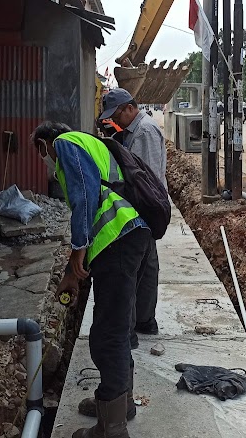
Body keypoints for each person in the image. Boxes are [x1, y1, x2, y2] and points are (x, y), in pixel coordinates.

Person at [34, 121, 152, 438]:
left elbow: (84, 199)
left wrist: (75, 261)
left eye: (41, 152)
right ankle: (121, 403)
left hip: (118, 240)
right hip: (132, 237)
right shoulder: (90, 145)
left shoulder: (65, 144)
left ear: (46, 143)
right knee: (117, 325)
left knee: (106, 335)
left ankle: (111, 428)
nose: (45, 159)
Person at [99, 89, 166, 347]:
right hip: (140, 207)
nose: (117, 120)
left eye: (117, 114)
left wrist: (140, 212)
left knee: (143, 266)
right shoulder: (132, 131)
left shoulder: (145, 131)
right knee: (145, 263)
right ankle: (144, 318)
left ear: (129, 108)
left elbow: (146, 178)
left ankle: (143, 320)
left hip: (144, 207)